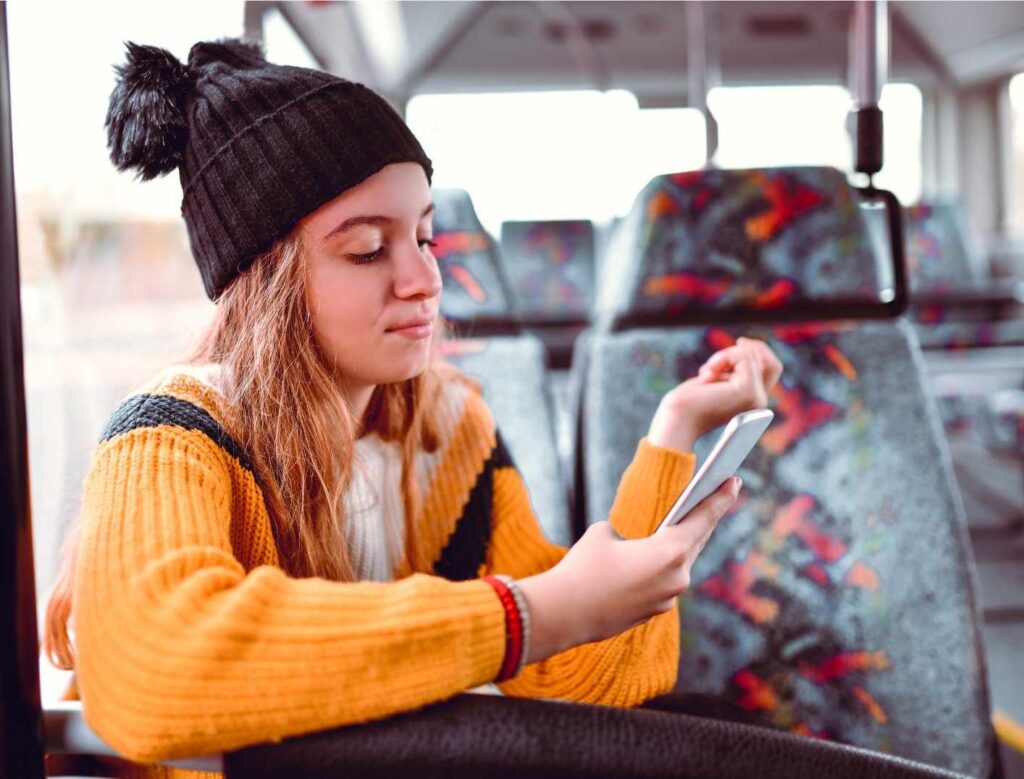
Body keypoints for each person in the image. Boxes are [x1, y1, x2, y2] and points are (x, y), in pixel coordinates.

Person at [42, 38, 783, 778]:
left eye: (426, 236)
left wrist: (675, 430)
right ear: (265, 282)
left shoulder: (452, 429)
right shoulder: (174, 434)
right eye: (368, 249)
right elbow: (159, 667)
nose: (425, 278)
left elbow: (576, 688)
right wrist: (529, 613)